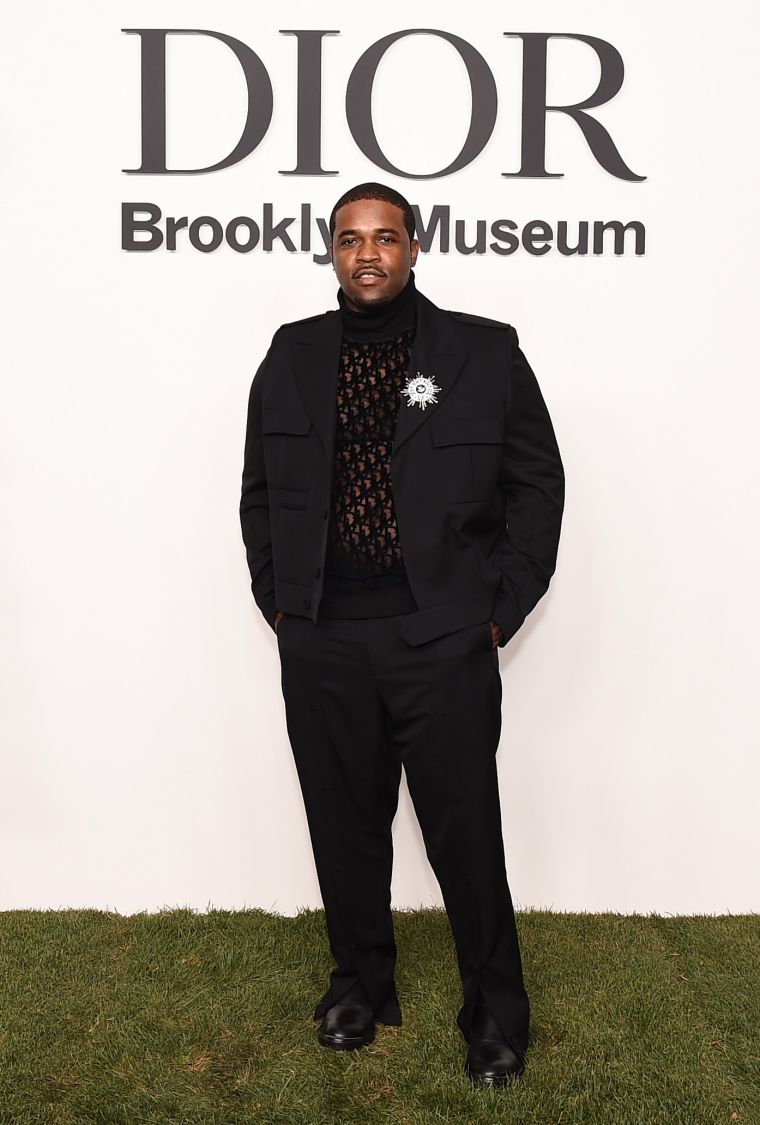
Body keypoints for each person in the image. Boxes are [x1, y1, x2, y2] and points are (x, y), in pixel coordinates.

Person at [239, 181, 565, 1086]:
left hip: (443, 638)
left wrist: (498, 609)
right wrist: (282, 604)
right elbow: (260, 490)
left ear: (416, 247)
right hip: (324, 639)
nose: (368, 253)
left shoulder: (484, 353)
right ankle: (359, 982)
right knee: (342, 823)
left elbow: (539, 488)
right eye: (350, 239)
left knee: (466, 832)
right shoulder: (292, 354)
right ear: (332, 253)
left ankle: (495, 1014)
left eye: (386, 237)